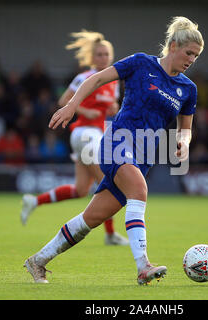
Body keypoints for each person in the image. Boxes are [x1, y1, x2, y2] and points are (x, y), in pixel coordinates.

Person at [24, 16, 203, 284]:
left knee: (90, 219)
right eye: (189, 52)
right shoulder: (141, 63)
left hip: (142, 157)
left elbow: (185, 128)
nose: (191, 60)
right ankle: (143, 266)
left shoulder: (188, 89)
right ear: (173, 45)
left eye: (196, 56)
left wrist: (184, 143)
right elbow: (97, 79)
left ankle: (37, 261)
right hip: (118, 141)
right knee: (140, 191)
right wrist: (72, 105)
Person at [20, 31, 129, 246]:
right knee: (108, 184)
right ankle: (110, 235)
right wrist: (83, 111)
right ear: (92, 58)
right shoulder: (84, 77)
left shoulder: (113, 82)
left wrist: (114, 108)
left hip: (94, 136)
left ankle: (34, 201)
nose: (103, 58)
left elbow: (111, 107)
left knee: (81, 189)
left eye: (106, 54)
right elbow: (63, 100)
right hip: (85, 134)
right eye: (98, 54)